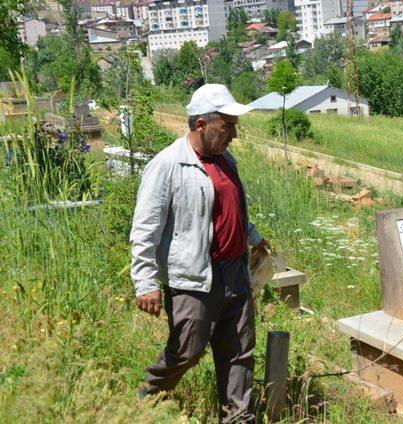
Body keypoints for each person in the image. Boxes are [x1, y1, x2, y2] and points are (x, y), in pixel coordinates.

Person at [130, 84, 269, 423]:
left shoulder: (226, 160)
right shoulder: (167, 165)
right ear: (201, 124)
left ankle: (237, 416)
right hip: (195, 277)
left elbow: (231, 208)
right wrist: (145, 282)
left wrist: (254, 237)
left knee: (239, 351)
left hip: (235, 270)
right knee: (187, 352)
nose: (234, 134)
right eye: (228, 125)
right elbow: (145, 229)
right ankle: (144, 399)